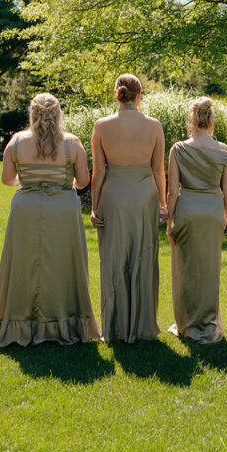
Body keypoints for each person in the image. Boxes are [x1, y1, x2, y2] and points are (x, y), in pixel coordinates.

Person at [0, 93, 100, 346]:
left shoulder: (16, 141)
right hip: (63, 209)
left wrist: (28, 181)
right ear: (58, 113)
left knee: (23, 265)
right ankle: (65, 322)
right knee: (63, 264)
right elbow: (83, 182)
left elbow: (6, 179)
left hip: (25, 208)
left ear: (32, 113)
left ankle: (20, 323)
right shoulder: (72, 142)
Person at [91, 74, 166, 343]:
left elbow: (98, 172)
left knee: (113, 260)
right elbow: (159, 170)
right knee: (144, 258)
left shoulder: (101, 126)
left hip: (114, 195)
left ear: (117, 94)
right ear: (139, 94)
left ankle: (114, 327)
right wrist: (163, 204)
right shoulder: (154, 126)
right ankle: (143, 326)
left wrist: (95, 206)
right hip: (145, 195)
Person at [166, 97, 227, 343]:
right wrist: (224, 216)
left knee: (185, 269)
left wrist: (169, 221)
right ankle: (208, 321)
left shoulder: (179, 149)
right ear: (211, 120)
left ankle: (186, 323)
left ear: (191, 120)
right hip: (213, 211)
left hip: (188, 209)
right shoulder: (223, 150)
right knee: (210, 269)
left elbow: (172, 192)